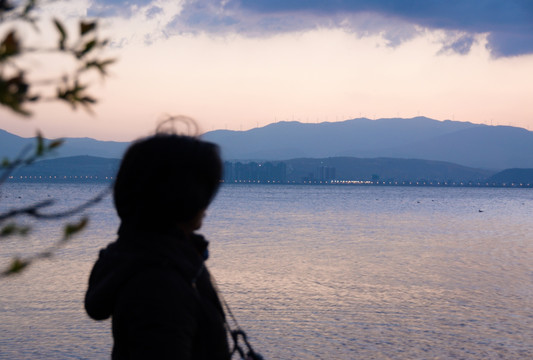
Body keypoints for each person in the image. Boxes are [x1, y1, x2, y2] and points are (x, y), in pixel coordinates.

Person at [84, 123, 230, 360]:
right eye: (206, 191)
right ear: (184, 197)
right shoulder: (160, 282)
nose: (208, 204)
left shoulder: (152, 257)